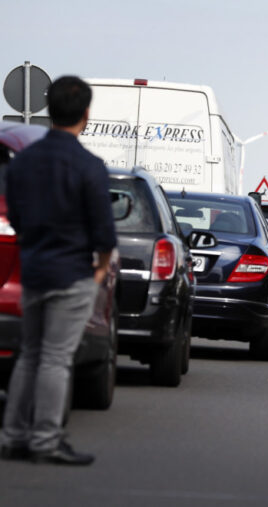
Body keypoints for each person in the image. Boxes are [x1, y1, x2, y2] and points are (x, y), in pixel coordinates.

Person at [1, 76, 117, 466]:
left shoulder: (23, 161)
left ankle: (13, 436)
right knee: (55, 358)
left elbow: (15, 216)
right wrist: (99, 274)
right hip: (72, 274)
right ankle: (46, 440)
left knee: (29, 355)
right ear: (86, 114)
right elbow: (104, 234)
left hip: (33, 270)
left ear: (50, 111)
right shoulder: (90, 167)